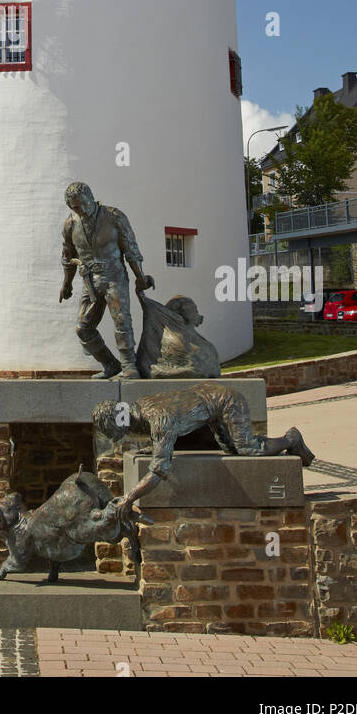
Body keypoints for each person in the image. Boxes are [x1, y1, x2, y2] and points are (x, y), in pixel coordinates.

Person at [92, 384, 316, 515]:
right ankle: (288, 442)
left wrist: (129, 498)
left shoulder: (157, 419)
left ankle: (290, 439)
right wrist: (153, 447)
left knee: (247, 448)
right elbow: (164, 432)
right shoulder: (139, 407)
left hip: (225, 401)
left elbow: (160, 469)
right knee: (230, 447)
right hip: (211, 403)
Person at [60, 181, 154, 379]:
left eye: (84, 203)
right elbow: (67, 256)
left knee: (121, 320)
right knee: (83, 328)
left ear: (91, 197)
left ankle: (129, 366)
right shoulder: (70, 224)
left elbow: (131, 249)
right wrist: (66, 284)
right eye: (76, 207)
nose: (82, 209)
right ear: (70, 206)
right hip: (90, 281)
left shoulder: (114, 216)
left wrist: (140, 277)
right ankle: (111, 365)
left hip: (114, 276)